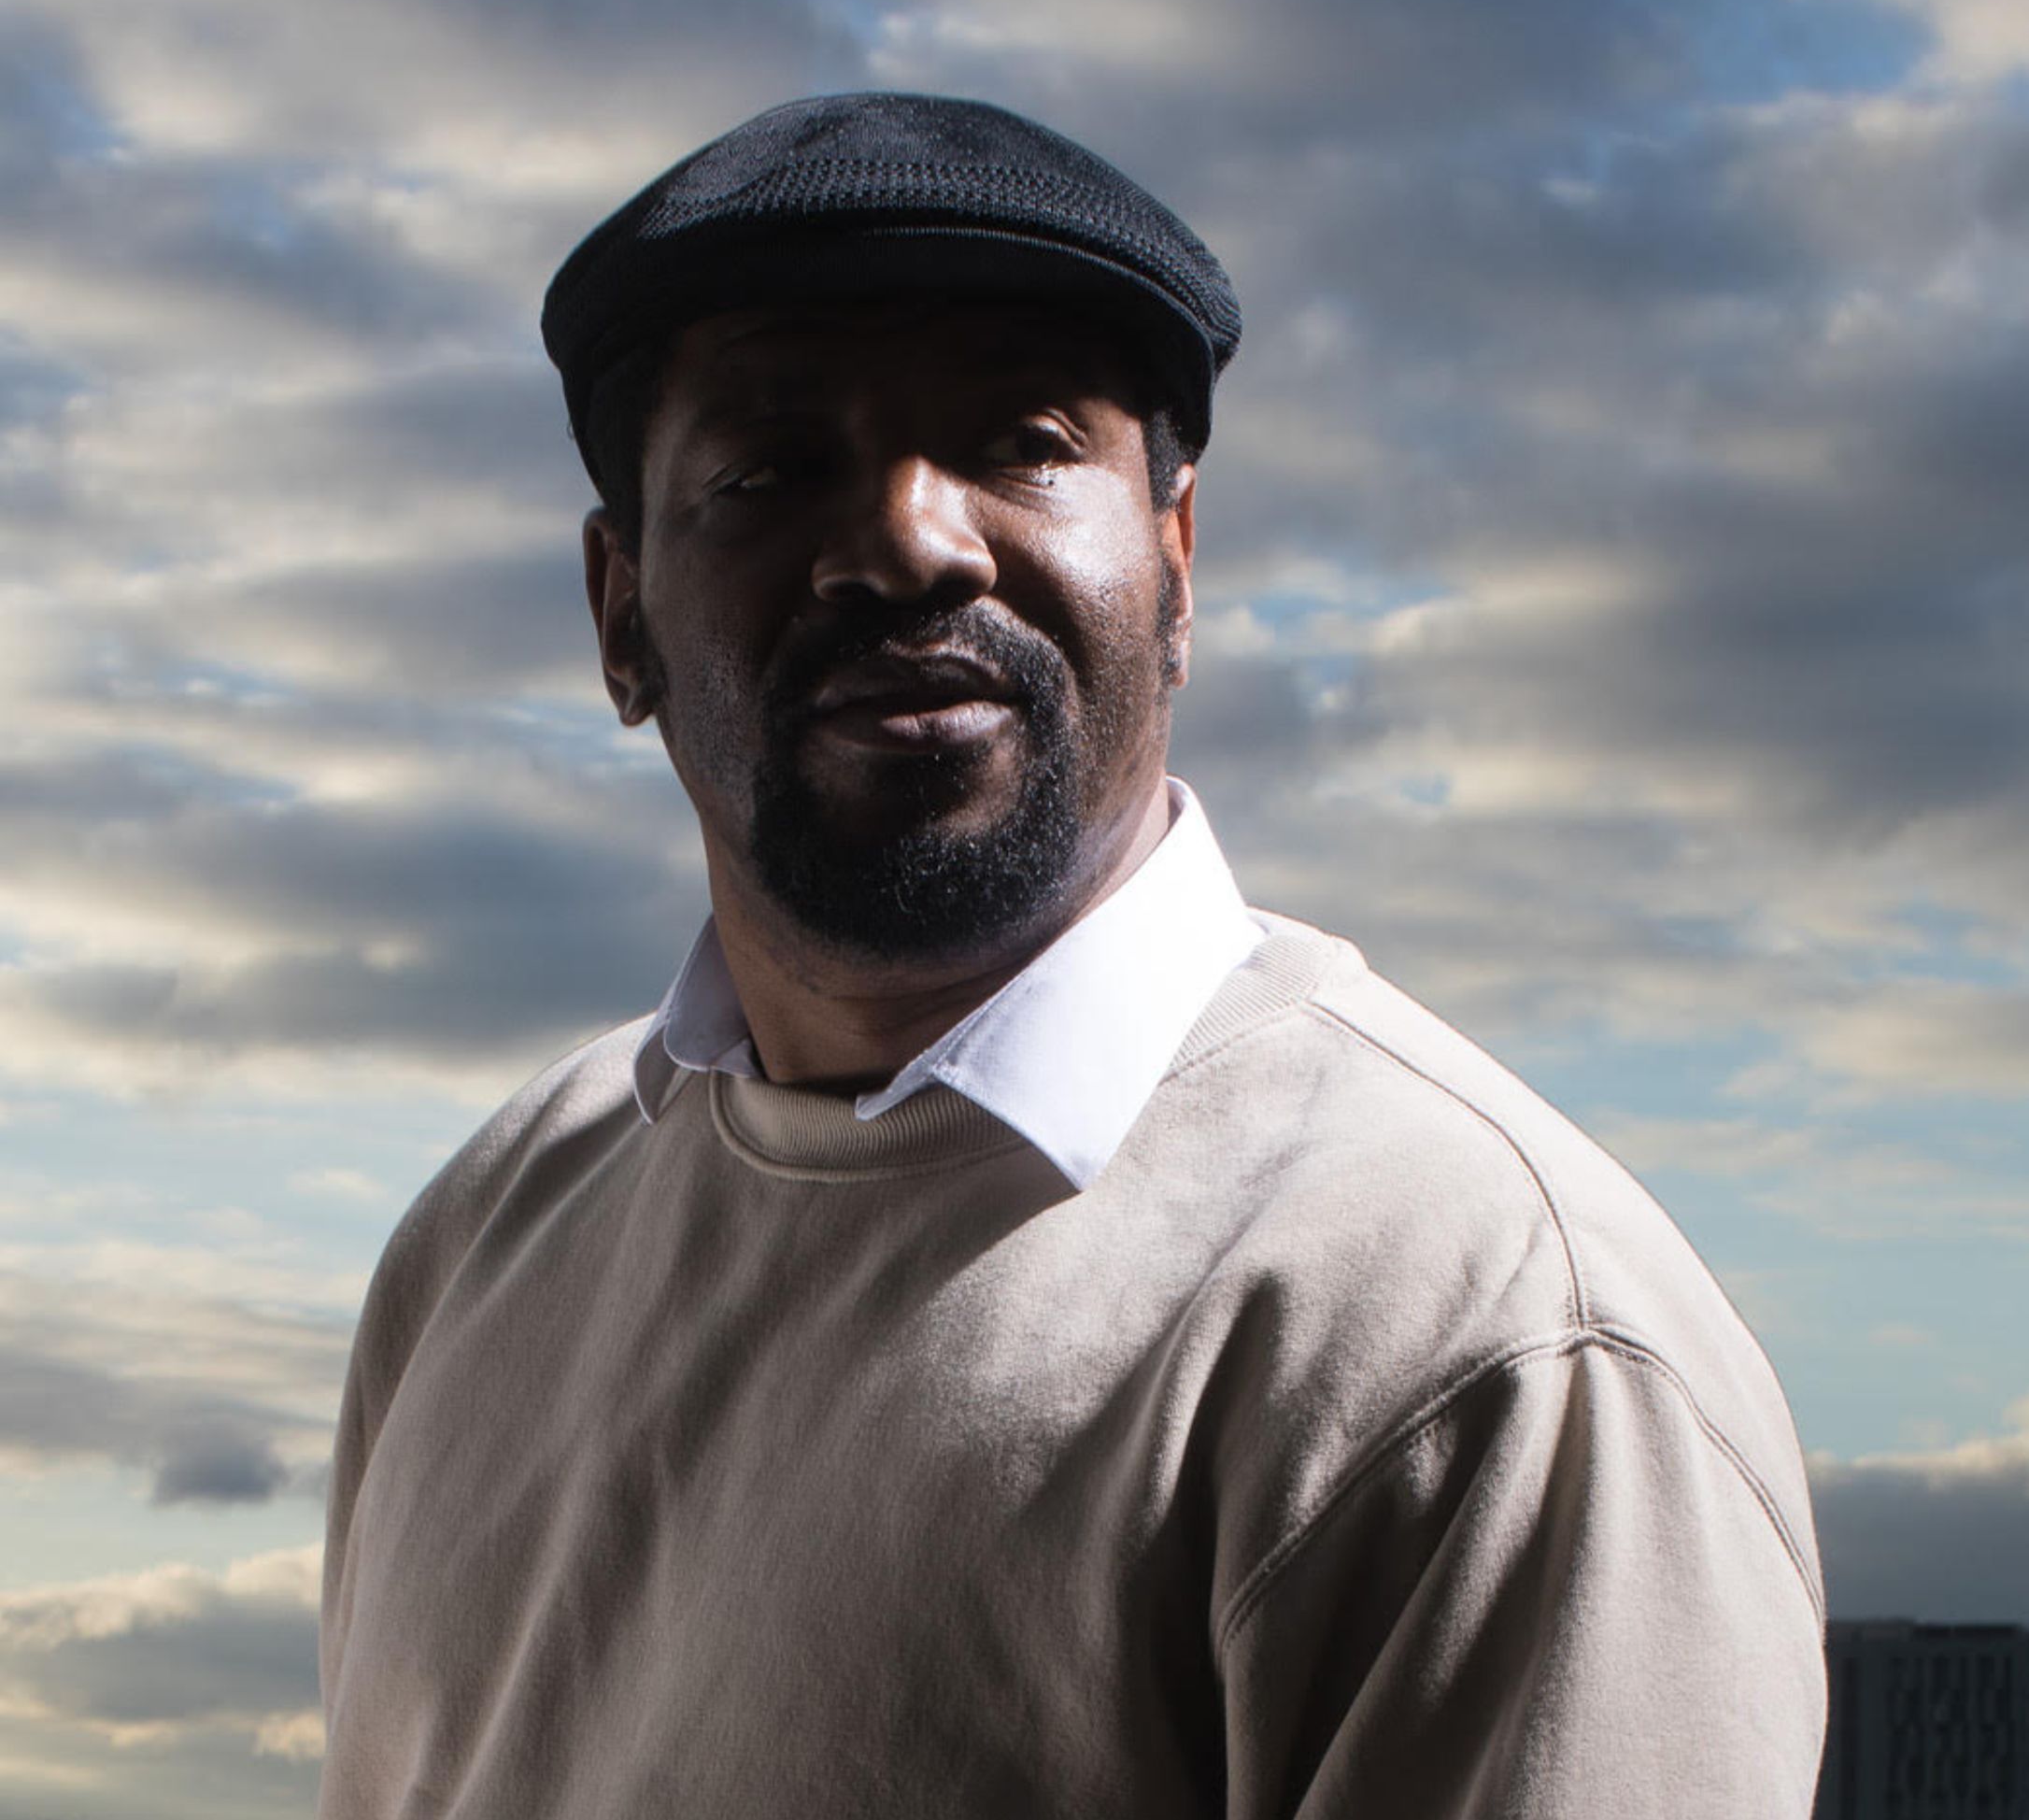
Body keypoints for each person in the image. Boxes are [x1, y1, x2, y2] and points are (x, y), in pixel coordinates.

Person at [317, 92, 1827, 1817]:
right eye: (769, 466)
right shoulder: (486, 1239)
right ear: (620, 616)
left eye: (1021, 439)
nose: (909, 536)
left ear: (1176, 570)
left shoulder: (1481, 1336)